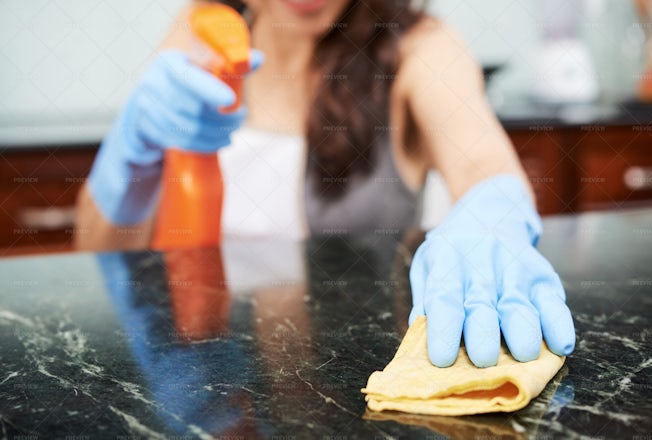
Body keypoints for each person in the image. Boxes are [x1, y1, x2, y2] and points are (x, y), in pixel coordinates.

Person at [75, 0, 575, 368]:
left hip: (363, 371)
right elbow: (96, 250)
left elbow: (481, 160)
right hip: (217, 367)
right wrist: (131, 160)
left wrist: (493, 210)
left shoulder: (419, 45)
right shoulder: (199, 32)